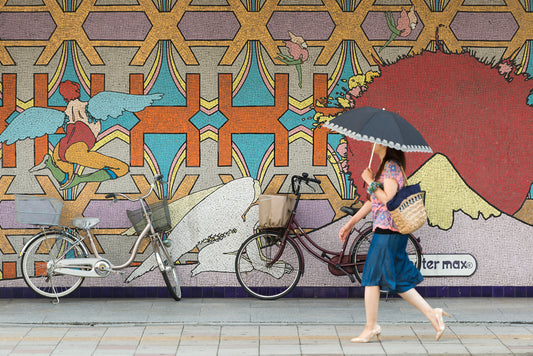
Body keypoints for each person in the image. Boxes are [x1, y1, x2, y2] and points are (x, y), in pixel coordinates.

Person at [339, 143, 449, 343]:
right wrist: (350, 223)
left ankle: (371, 327)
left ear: (386, 144)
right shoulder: (384, 166)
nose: (373, 143)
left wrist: (370, 181)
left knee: (371, 277)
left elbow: (388, 201)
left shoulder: (390, 167)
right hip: (391, 232)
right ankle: (434, 314)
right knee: (399, 281)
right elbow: (372, 201)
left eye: (377, 140)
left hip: (388, 232)